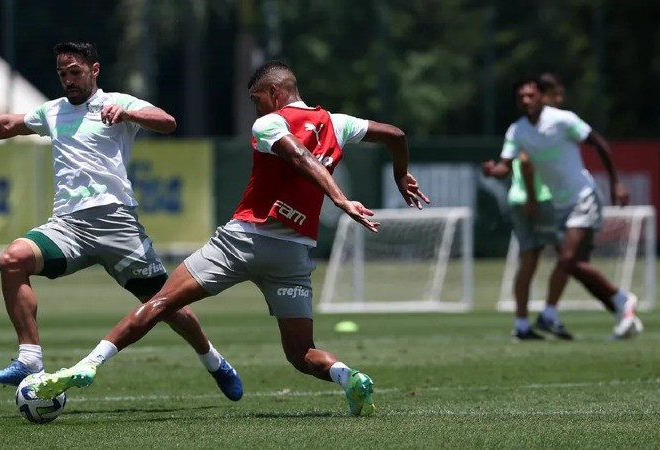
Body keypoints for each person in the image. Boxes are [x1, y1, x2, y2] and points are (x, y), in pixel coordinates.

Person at [31, 60, 430, 417]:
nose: (255, 110)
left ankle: (87, 365)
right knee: (301, 353)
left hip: (245, 240)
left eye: (257, 100)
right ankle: (349, 377)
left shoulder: (269, 123)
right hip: (293, 254)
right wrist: (399, 175)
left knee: (160, 302)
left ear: (274, 92)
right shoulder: (338, 123)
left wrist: (341, 200)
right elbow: (395, 134)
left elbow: (299, 157)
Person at [0, 41, 243, 400]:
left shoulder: (117, 103)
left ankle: (214, 361)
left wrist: (128, 115)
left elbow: (167, 122)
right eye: (62, 74)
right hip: (68, 227)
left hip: (117, 225)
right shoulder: (53, 111)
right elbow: (9, 124)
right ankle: (30, 360)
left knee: (167, 306)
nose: (68, 81)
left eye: (75, 72)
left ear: (94, 70)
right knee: (12, 260)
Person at [482, 74, 642, 340]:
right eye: (521, 96)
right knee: (575, 265)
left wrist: (616, 183)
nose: (526, 100)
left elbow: (599, 142)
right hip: (560, 205)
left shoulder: (562, 120)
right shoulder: (517, 130)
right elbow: (504, 166)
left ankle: (623, 300)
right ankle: (622, 313)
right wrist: (491, 171)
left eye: (531, 95)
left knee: (568, 260)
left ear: (542, 97)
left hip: (583, 197)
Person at [502, 73, 573, 341]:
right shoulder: (537, 127)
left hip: (521, 197)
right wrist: (533, 197)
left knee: (529, 260)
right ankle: (549, 314)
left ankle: (522, 324)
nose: (559, 100)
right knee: (569, 256)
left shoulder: (529, 127)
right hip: (538, 198)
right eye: (556, 94)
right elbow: (526, 161)